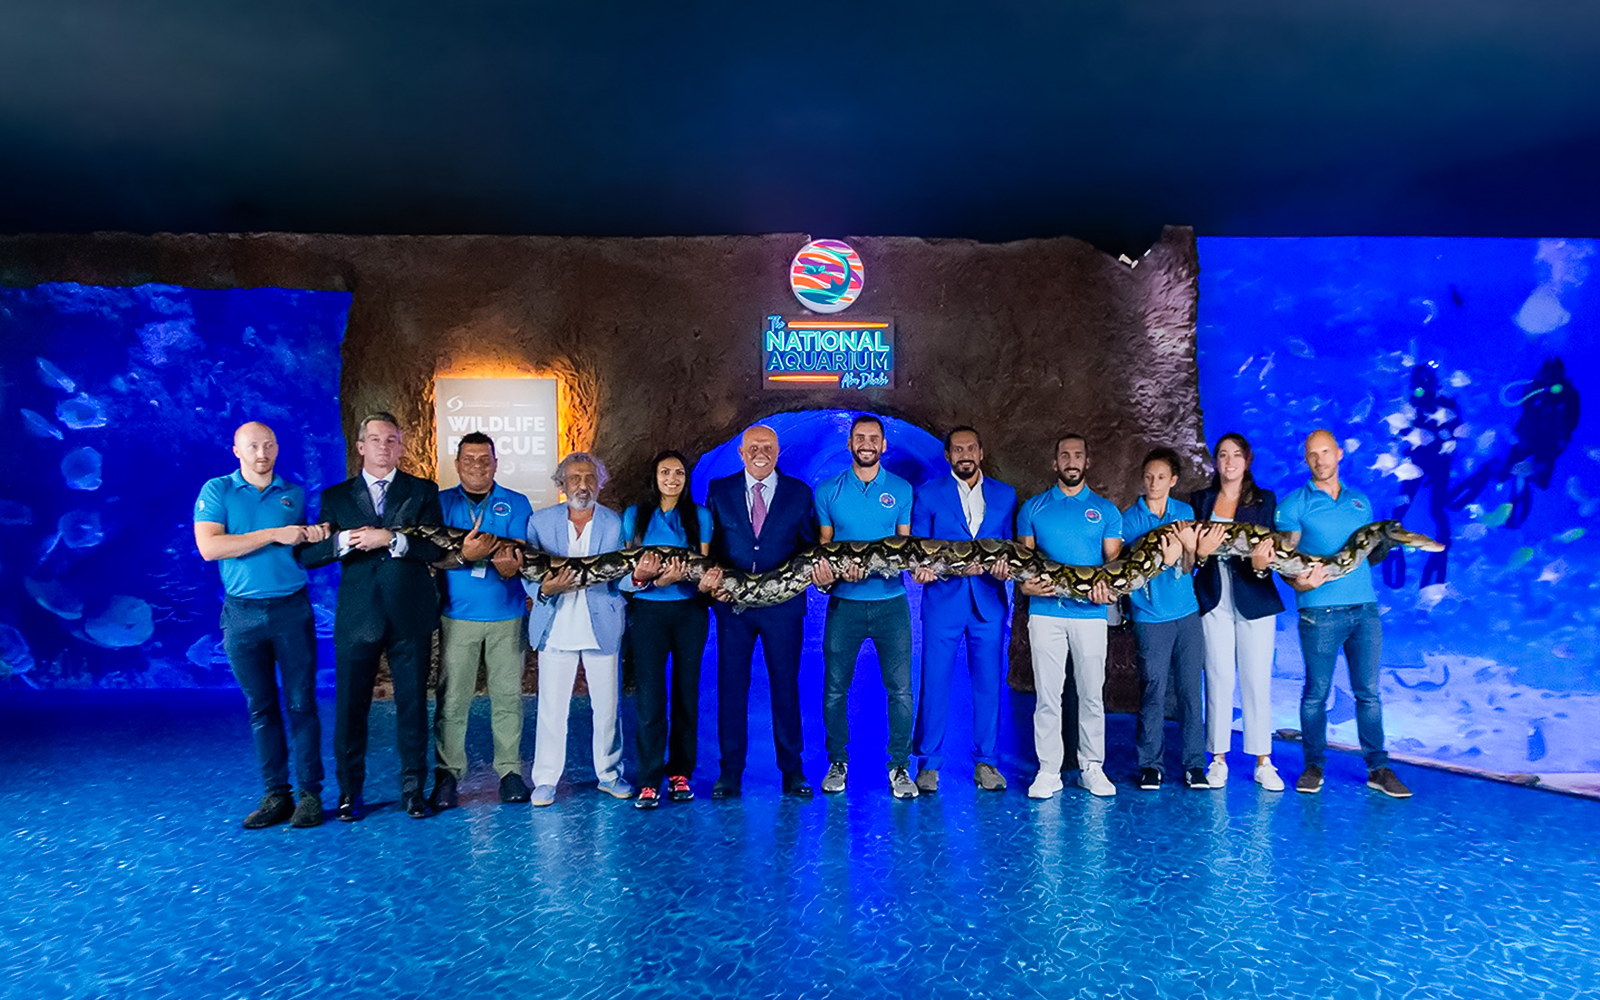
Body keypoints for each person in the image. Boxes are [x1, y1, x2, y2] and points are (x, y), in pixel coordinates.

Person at [298, 412, 447, 821]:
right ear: (361, 446)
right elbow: (309, 555)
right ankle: (350, 792)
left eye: (392, 439)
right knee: (350, 708)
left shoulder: (423, 491)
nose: (384, 446)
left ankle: (414, 790)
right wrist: (343, 541)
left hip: (410, 614)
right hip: (358, 617)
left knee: (413, 706)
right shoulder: (336, 497)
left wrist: (393, 539)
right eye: (376, 439)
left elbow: (435, 548)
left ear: (401, 446)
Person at [193, 421, 331, 829]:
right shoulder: (217, 490)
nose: (262, 453)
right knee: (261, 708)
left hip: (291, 610)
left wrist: (315, 535)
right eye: (252, 446)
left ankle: (310, 794)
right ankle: (276, 795)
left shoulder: (294, 494)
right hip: (242, 614)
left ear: (277, 448)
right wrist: (274, 533)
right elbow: (210, 547)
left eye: (269, 444)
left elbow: (300, 548)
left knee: (302, 705)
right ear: (236, 450)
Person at [1276, 429, 1412, 798]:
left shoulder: (1360, 502)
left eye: (1325, 452)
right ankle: (1313, 765)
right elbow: (1285, 563)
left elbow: (1368, 555)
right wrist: (1301, 584)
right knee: (1316, 693)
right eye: (1311, 454)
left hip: (1364, 609)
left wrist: (1388, 543)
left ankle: (1378, 768)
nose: (1319, 460)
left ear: (1339, 454)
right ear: (1306, 459)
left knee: (1368, 693)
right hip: (1319, 612)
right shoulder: (1292, 505)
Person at [524, 451, 650, 806]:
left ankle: (609, 774)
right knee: (551, 709)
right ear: (561, 484)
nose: (583, 485)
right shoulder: (539, 522)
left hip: (602, 624)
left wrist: (639, 578)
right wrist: (544, 590)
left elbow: (622, 577)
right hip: (555, 626)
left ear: (600, 483)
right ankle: (545, 779)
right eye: (575, 478)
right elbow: (527, 573)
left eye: (590, 477)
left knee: (608, 708)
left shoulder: (615, 523)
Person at [700, 424, 817, 799]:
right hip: (733, 608)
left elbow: (808, 548)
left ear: (778, 452)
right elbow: (713, 548)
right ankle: (730, 772)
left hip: (783, 609)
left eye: (768, 447)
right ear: (741, 453)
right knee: (732, 688)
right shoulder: (720, 490)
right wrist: (713, 584)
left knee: (786, 687)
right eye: (753, 447)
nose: (760, 453)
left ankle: (792, 770)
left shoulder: (799, 493)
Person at [1011, 433, 1122, 799]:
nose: (1071, 461)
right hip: (1046, 614)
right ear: (1054, 462)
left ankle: (1092, 767)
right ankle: (1048, 770)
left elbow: (1114, 567)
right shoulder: (1032, 509)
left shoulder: (1106, 511)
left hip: (1091, 615)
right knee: (1047, 695)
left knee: (1092, 695)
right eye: (1064, 455)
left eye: (1077, 455)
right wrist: (1026, 588)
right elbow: (1024, 566)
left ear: (1087, 462)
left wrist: (1110, 593)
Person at [428, 432, 535, 810]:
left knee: (507, 697)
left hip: (507, 614)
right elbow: (431, 557)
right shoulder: (441, 503)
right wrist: (465, 556)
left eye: (484, 459)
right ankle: (448, 773)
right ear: (457, 464)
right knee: (452, 699)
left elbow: (520, 555)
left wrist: (510, 567)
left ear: (495, 464)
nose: (477, 466)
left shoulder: (517, 503)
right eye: (469, 459)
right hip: (457, 616)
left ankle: (509, 770)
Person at [813, 414, 918, 799]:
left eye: (874, 437)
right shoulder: (828, 490)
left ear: (884, 445)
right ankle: (837, 762)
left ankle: (900, 766)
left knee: (901, 690)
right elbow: (825, 548)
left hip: (892, 604)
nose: (867, 443)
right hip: (845, 605)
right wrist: (835, 574)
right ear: (849, 443)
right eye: (860, 437)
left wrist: (913, 569)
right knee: (835, 689)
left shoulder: (902, 490)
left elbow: (904, 548)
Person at [908, 425, 1017, 793]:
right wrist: (923, 572)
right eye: (957, 449)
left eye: (971, 448)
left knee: (988, 686)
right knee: (934, 684)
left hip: (989, 604)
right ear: (948, 455)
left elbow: (1010, 550)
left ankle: (987, 763)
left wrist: (1004, 571)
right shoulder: (928, 494)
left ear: (981, 453)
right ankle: (928, 764)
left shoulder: (1005, 495)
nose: (965, 455)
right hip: (942, 603)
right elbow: (918, 551)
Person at [1190, 432, 1285, 791]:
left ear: (1247, 460)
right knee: (1217, 677)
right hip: (1213, 597)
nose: (1229, 462)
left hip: (1255, 597)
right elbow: (1192, 559)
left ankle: (1263, 761)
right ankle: (1217, 759)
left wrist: (1261, 566)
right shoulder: (1201, 500)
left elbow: (1272, 555)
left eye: (1236, 455)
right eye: (1222, 455)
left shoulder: (1265, 500)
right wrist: (1201, 554)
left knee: (1256, 679)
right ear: (1215, 461)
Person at [620, 450, 715, 809]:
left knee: (686, 694)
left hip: (690, 612)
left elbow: (703, 567)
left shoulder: (700, 516)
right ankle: (649, 779)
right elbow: (626, 574)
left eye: (678, 473)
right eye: (665, 472)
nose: (672, 479)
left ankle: (680, 773)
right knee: (650, 698)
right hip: (648, 612)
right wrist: (652, 581)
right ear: (654, 476)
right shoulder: (634, 516)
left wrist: (703, 583)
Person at [1123, 448, 1206, 791]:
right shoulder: (1129, 520)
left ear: (1173, 480)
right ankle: (1150, 765)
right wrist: (1167, 558)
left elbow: (1189, 566)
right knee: (1152, 690)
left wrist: (1190, 550)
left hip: (1186, 613)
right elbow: (1128, 575)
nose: (1153, 483)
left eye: (1160, 477)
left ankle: (1195, 765)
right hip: (1149, 615)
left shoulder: (1184, 513)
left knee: (1190, 691)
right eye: (1148, 477)